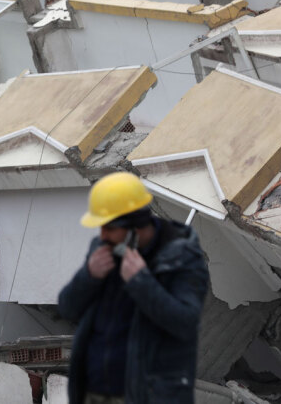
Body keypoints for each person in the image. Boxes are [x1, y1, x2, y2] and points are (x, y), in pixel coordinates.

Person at [58, 172, 209, 404]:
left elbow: (185, 323)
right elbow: (68, 308)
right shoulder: (104, 248)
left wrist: (141, 282)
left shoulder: (181, 258)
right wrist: (88, 276)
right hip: (93, 393)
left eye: (109, 228)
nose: (102, 235)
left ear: (134, 228)